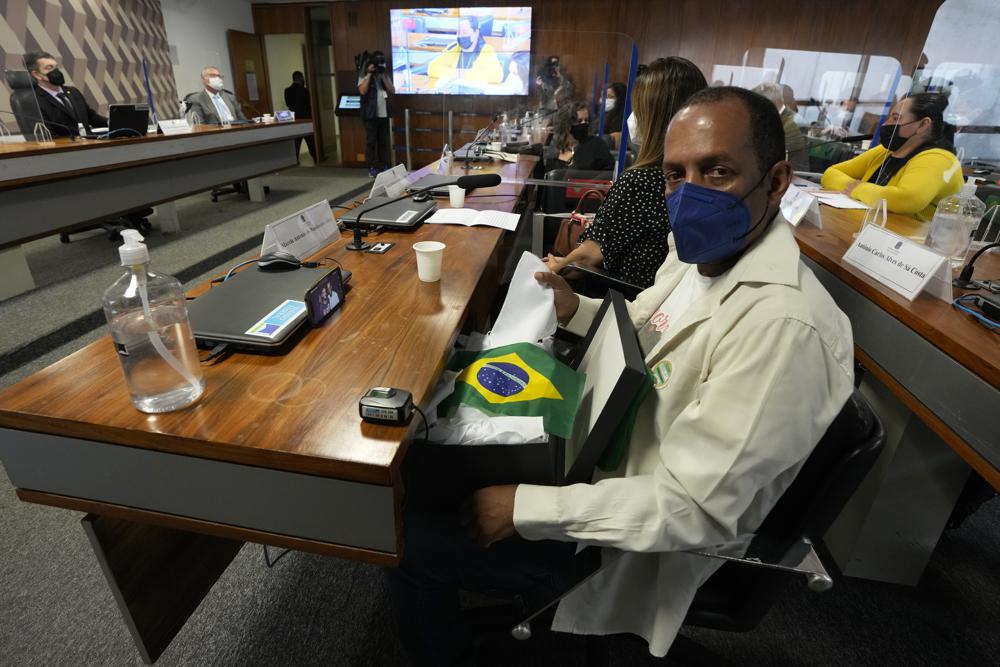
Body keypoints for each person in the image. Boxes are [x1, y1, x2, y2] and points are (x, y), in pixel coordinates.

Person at [387, 86, 854, 665]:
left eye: (719, 171)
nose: (689, 195)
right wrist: (573, 310)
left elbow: (693, 510)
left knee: (408, 545)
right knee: (424, 465)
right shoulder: (698, 255)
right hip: (603, 459)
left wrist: (524, 508)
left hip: (634, 536)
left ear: (777, 181)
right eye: (675, 175)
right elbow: (643, 329)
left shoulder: (785, 328)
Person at [543, 57, 707, 289]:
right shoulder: (697, 181)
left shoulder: (641, 182)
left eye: (637, 109)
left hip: (617, 301)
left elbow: (587, 257)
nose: (631, 118)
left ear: (653, 118)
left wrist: (556, 267)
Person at [821, 92, 963, 220]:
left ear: (922, 125)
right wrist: (857, 190)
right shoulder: (885, 151)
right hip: (868, 225)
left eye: (895, 119)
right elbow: (830, 173)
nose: (886, 124)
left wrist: (859, 189)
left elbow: (907, 199)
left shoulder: (938, 159)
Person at [25, 51, 107, 137]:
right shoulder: (33, 100)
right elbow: (46, 134)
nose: (56, 71)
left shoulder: (73, 92)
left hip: (90, 143)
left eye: (56, 67)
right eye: (49, 68)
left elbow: (91, 118)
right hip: (65, 147)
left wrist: (113, 122)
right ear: (37, 75)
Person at [428, 15, 503, 87]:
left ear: (476, 33)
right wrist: (459, 74)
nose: (461, 36)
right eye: (458, 32)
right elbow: (432, 68)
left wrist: (460, 74)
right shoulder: (455, 47)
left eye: (464, 32)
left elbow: (497, 75)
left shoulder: (485, 50)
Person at [543, 102, 612, 173]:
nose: (584, 124)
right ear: (567, 124)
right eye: (579, 121)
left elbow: (608, 174)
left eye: (586, 120)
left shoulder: (597, 144)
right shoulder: (555, 145)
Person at [754, 82, 808, 171]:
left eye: (757, 104)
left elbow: (773, 154)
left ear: (769, 103)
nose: (755, 109)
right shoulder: (770, 117)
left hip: (793, 175)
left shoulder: (795, 122)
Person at [358, 51, 394, 177]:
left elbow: (392, 90)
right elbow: (363, 90)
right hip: (371, 115)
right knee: (371, 141)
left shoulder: (383, 75)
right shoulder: (363, 74)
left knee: (383, 141)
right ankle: (372, 167)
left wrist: (383, 76)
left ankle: (383, 165)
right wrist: (369, 74)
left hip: (384, 115)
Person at [283, 70, 316, 164]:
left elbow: (288, 104)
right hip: (306, 119)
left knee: (296, 143)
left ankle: (295, 160)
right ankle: (316, 157)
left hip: (295, 119)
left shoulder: (287, 91)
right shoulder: (305, 90)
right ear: (301, 79)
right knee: (311, 141)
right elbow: (309, 104)